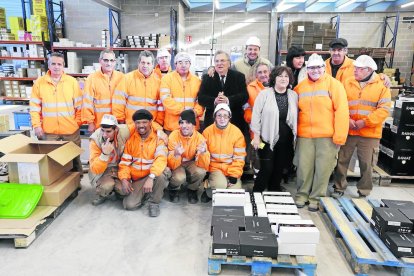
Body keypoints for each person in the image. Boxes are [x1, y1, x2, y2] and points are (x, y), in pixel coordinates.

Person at [294, 53, 349, 212]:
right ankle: (302, 194)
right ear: (307, 69)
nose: (315, 70)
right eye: (311, 67)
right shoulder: (300, 87)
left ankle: (316, 198)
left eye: (318, 67)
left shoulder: (334, 85)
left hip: (327, 136)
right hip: (305, 136)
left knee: (323, 169)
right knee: (304, 167)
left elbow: (342, 111)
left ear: (324, 68)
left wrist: (339, 136)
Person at [333, 55, 391, 198]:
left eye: (360, 69)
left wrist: (364, 122)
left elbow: (383, 110)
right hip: (349, 130)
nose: (356, 71)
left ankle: (364, 190)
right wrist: (347, 119)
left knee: (367, 164)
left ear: (369, 70)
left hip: (370, 133)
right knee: (342, 160)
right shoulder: (347, 83)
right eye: (355, 67)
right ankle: (339, 187)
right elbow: (339, 104)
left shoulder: (382, 86)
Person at [30, 52, 83, 176]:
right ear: (48, 65)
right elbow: (34, 107)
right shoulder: (39, 83)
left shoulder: (72, 82)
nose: (56, 67)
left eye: (59, 64)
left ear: (63, 66)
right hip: (49, 131)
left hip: (70, 130)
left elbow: (80, 106)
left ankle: (76, 182)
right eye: (53, 63)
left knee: (74, 158)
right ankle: (58, 184)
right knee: (51, 160)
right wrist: (37, 126)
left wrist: (77, 123)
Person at [251, 66, 298, 192]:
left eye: (286, 76)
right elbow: (256, 116)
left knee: (279, 168)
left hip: (286, 140)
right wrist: (256, 136)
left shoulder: (293, 96)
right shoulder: (264, 94)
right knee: (266, 168)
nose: (283, 79)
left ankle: (274, 191)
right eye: (280, 76)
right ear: (274, 78)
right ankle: (257, 192)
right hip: (266, 139)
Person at [118, 109, 171, 217]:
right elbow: (124, 163)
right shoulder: (131, 141)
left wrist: (151, 178)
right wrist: (124, 179)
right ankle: (147, 194)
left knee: (162, 173)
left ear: (151, 122)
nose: (141, 125)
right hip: (138, 178)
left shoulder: (158, 139)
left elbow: (161, 159)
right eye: (138, 123)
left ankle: (154, 202)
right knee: (129, 205)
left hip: (153, 175)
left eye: (144, 122)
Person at [201, 103, 246, 202]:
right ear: (214, 117)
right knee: (220, 185)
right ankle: (208, 191)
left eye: (225, 115)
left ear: (230, 117)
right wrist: (207, 172)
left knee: (234, 193)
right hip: (215, 168)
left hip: (230, 167)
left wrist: (234, 175)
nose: (222, 118)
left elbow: (239, 157)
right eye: (219, 115)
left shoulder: (237, 133)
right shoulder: (207, 132)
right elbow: (203, 157)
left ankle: (218, 190)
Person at [198, 50, 248, 133]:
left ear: (229, 63)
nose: (219, 63)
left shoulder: (239, 77)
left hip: (235, 121)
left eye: (222, 60)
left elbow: (244, 96)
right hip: (212, 122)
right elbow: (201, 98)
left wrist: (228, 100)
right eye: (217, 61)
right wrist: (214, 101)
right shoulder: (207, 78)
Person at [89, 114, 134, 205]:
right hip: (104, 169)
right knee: (105, 187)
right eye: (102, 130)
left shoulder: (125, 131)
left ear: (116, 129)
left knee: (124, 190)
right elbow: (95, 169)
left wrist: (160, 132)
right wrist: (104, 155)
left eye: (108, 131)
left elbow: (143, 123)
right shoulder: (95, 139)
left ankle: (117, 193)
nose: (105, 135)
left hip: (120, 166)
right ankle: (102, 194)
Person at [167, 110, 210, 204]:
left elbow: (205, 165)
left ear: (194, 125)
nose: (184, 126)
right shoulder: (173, 136)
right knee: (179, 177)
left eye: (188, 122)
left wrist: (203, 153)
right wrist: (176, 154)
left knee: (201, 171)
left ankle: (192, 190)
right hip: (177, 163)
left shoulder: (200, 138)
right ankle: (173, 189)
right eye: (181, 122)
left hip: (191, 162)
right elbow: (170, 165)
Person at [112, 50, 164, 126]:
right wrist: (120, 120)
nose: (145, 66)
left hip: (151, 126)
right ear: (138, 63)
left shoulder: (159, 82)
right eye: (143, 62)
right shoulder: (127, 79)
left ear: (153, 65)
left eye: (148, 63)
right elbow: (118, 101)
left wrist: (158, 123)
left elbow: (161, 106)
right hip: (131, 125)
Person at [160, 52, 204, 133]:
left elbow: (201, 101)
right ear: (175, 64)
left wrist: (195, 112)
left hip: (192, 126)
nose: (183, 65)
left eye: (186, 62)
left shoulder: (197, 81)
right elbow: (165, 99)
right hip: (173, 127)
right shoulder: (167, 79)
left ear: (190, 64)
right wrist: (183, 111)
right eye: (180, 62)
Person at [82, 49, 124, 133]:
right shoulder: (92, 79)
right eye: (106, 60)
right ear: (100, 61)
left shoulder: (122, 77)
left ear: (115, 62)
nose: (109, 63)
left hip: (117, 124)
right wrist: (90, 123)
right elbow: (87, 103)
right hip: (100, 125)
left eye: (112, 60)